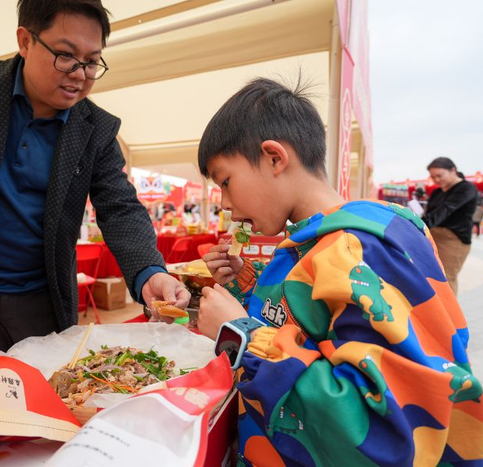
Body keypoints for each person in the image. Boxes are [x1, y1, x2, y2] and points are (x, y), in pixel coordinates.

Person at [196, 78, 482, 466]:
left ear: (275, 158)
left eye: (226, 182)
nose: (224, 203)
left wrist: (242, 335)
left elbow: (380, 430)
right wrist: (246, 281)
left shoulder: (354, 248)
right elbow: (308, 321)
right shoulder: (321, 241)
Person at [0, 0, 189, 351]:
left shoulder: (96, 129)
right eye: (65, 56)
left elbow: (120, 206)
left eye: (91, 62)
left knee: (45, 382)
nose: (80, 74)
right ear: (25, 41)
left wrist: (149, 272)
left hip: (44, 299)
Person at [422, 157, 478, 295]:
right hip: (432, 236)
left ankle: (447, 310)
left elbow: (446, 209)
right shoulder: (437, 192)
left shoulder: (466, 188)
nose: (437, 179)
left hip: (453, 241)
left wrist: (420, 224)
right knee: (428, 277)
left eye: (440, 175)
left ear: (453, 170)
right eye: (433, 177)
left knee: (445, 279)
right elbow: (429, 213)